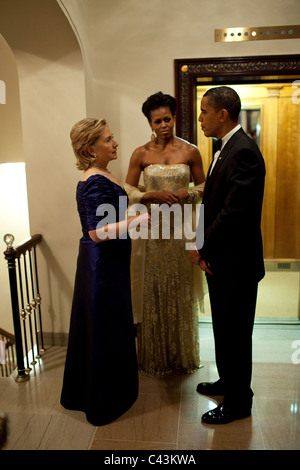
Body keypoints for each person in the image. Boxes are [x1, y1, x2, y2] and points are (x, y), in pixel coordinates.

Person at [60, 118, 150, 426]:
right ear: (90, 148)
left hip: (107, 260)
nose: (116, 143)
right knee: (104, 325)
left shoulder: (102, 174)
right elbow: (97, 232)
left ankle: (103, 391)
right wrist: (134, 222)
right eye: (108, 140)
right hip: (102, 263)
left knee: (107, 323)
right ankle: (103, 400)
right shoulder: (95, 180)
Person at [190, 86, 265, 424]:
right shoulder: (225, 147)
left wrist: (201, 246)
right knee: (223, 327)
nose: (201, 117)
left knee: (235, 333)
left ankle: (238, 402)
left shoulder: (244, 151)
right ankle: (227, 381)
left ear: (222, 114)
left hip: (237, 263)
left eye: (204, 111)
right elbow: (214, 203)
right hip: (223, 260)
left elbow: (234, 213)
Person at [124, 91, 206, 377]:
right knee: (155, 292)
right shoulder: (141, 154)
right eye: (157, 121)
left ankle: (182, 357)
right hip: (153, 233)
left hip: (183, 231)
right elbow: (127, 190)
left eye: (167, 119)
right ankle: (155, 356)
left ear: (174, 117)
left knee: (181, 292)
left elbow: (207, 187)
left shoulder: (190, 151)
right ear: (149, 123)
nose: (164, 126)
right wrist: (150, 194)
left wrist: (189, 192)